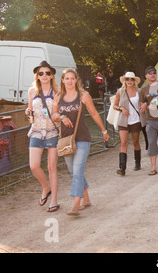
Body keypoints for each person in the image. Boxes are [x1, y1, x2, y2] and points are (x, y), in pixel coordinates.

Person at [52, 68, 110, 216]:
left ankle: (75, 204)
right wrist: (62, 117)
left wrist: (104, 130)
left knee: (77, 170)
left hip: (82, 137)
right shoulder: (58, 97)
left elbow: (94, 113)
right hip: (65, 139)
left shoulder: (84, 95)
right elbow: (53, 115)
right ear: (63, 80)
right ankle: (86, 199)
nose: (70, 81)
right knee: (73, 171)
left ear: (76, 80)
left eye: (72, 78)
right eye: (67, 78)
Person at [26, 61, 60, 212]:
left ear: (52, 75)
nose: (44, 76)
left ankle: (54, 200)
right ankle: (46, 188)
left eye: (47, 73)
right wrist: (27, 111)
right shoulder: (32, 91)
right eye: (41, 73)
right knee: (34, 166)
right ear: (37, 76)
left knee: (51, 167)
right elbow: (29, 108)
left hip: (52, 131)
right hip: (36, 131)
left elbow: (60, 110)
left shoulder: (57, 91)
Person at [113, 72, 146, 175]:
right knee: (123, 143)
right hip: (124, 121)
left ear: (134, 81)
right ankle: (122, 168)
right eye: (127, 79)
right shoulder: (120, 92)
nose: (129, 81)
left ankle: (137, 162)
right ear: (125, 81)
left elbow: (143, 102)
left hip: (136, 120)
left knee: (135, 142)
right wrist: (121, 108)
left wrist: (144, 105)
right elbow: (114, 105)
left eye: (131, 79)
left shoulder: (139, 91)